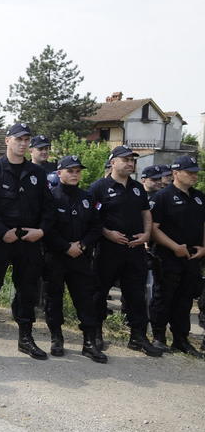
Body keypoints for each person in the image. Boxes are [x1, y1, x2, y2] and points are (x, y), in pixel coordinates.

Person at [0, 123, 53, 364]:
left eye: (26, 139)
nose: (22, 143)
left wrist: (41, 231)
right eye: (18, 139)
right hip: (0, 240)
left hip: (28, 241)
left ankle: (26, 339)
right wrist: (1, 231)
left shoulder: (37, 173)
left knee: (27, 291)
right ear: (7, 140)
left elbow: (49, 209)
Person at [88, 145, 168, 357]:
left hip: (135, 250)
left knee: (136, 294)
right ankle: (95, 333)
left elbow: (146, 213)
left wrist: (146, 234)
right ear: (113, 162)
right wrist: (107, 233)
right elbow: (91, 219)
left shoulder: (137, 188)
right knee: (99, 292)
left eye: (132, 160)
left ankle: (138, 337)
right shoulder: (99, 187)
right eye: (125, 159)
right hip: (108, 249)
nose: (130, 163)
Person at [42, 155, 104, 362]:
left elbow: (96, 227)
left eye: (78, 171)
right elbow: (47, 228)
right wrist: (66, 246)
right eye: (70, 171)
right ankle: (56, 338)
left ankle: (88, 342)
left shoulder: (87, 197)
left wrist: (83, 244)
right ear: (59, 173)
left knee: (85, 299)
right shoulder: (50, 197)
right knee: (54, 298)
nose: (75, 174)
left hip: (80, 257)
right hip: (57, 257)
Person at [148, 155, 205, 357]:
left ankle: (181, 339)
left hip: (191, 257)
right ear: (175, 173)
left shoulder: (199, 197)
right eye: (189, 173)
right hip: (168, 256)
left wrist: (203, 247)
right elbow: (153, 229)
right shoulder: (162, 197)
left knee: (185, 299)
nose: (193, 176)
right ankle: (159, 337)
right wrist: (174, 247)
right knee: (164, 297)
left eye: (195, 173)